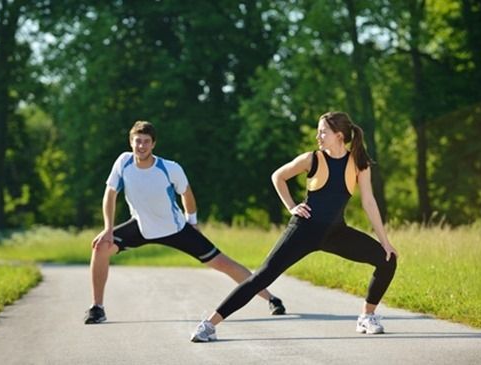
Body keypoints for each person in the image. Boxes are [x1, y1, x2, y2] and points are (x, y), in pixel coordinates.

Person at [191, 111, 398, 342]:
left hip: (335, 233)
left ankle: (366, 317)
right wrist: (291, 206)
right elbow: (278, 176)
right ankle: (209, 324)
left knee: (387, 259)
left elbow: (369, 203)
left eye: (323, 131)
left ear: (339, 135)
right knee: (262, 277)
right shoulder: (312, 159)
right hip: (303, 231)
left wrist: (385, 242)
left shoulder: (359, 163)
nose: (318, 136)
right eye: (319, 131)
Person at [84, 120, 285, 324]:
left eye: (146, 142)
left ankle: (271, 299)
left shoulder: (169, 168)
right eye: (138, 141)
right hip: (141, 225)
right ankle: (97, 308)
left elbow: (186, 193)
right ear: (130, 142)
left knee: (224, 263)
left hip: (176, 228)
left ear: (153, 144)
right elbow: (109, 195)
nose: (141, 146)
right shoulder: (123, 163)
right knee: (100, 247)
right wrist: (108, 229)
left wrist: (192, 222)